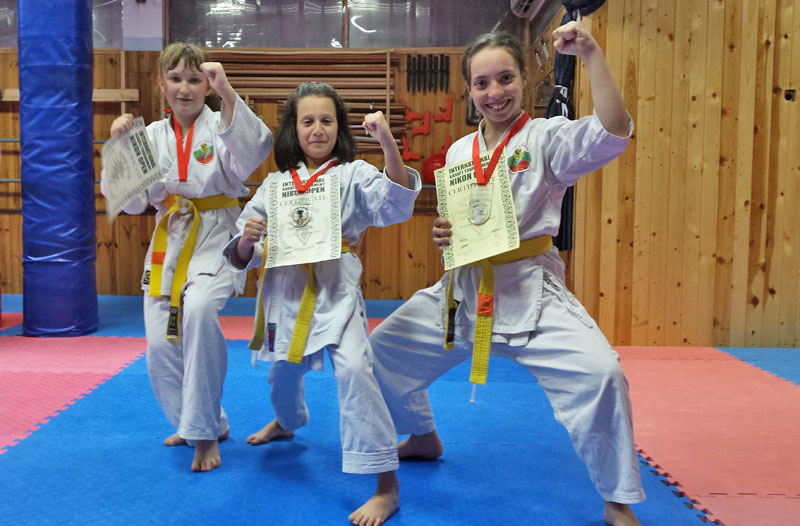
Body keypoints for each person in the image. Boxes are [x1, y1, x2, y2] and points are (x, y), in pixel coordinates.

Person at [370, 22, 644, 526]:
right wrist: (445, 235)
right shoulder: (458, 152)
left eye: (505, 78)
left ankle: (617, 499)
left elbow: (613, 129)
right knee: (381, 350)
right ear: (469, 90)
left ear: (525, 80)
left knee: (601, 375)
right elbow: (459, 222)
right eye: (482, 83)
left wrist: (590, 55)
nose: (494, 92)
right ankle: (423, 435)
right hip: (464, 290)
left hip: (529, 288)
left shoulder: (546, 138)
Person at [223, 81, 420, 526]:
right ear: (294, 129)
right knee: (282, 374)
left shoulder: (353, 174)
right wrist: (247, 240)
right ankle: (287, 421)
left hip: (336, 291)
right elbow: (242, 249)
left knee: (355, 372)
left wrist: (387, 142)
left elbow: (395, 202)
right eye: (307, 121)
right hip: (287, 292)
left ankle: (386, 485)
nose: (317, 129)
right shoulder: (275, 185)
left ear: (339, 127)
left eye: (326, 121)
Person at [101, 43, 272, 472]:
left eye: (195, 80)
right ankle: (195, 420)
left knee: (197, 310)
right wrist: (121, 146)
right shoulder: (151, 136)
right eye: (175, 79)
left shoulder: (221, 124)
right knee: (160, 347)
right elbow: (133, 203)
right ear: (161, 85)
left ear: (207, 86)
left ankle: (204, 432)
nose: (185, 88)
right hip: (170, 238)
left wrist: (227, 91)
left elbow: (254, 152)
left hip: (216, 232)